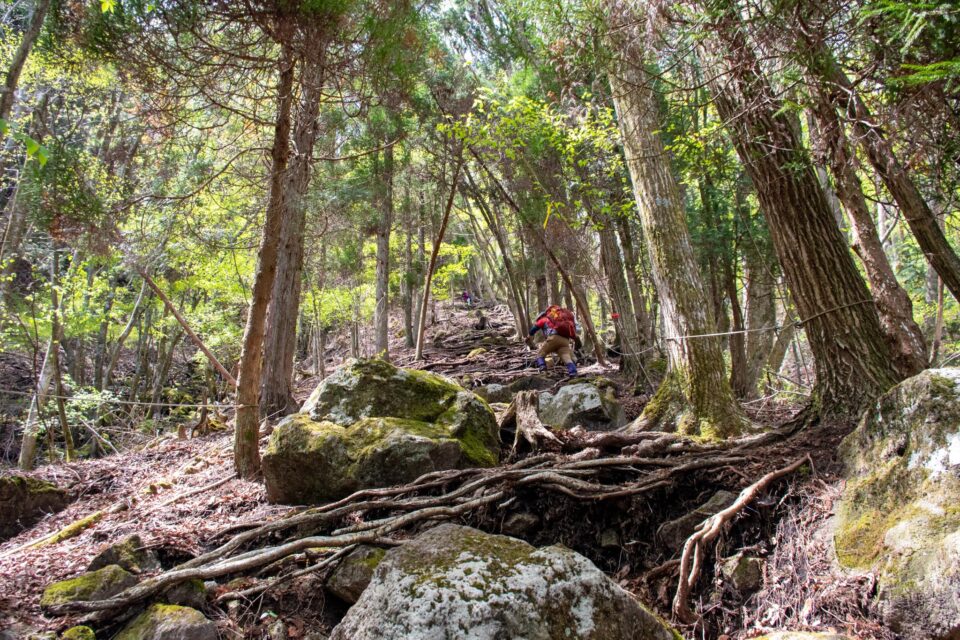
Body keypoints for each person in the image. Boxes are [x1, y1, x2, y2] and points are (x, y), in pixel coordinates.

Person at [529, 305, 579, 376]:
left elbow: (534, 329)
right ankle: (573, 372)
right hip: (565, 340)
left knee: (540, 354)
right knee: (566, 358)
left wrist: (528, 336)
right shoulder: (555, 319)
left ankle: (543, 370)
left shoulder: (544, 319)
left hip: (554, 338)